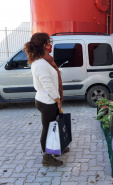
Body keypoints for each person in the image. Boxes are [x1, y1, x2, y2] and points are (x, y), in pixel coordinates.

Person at [24, 33, 67, 167]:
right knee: (47, 129)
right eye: (48, 42)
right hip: (47, 102)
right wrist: (57, 99)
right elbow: (47, 85)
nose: (50, 44)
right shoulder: (40, 64)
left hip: (47, 100)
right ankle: (46, 157)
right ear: (44, 45)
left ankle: (55, 149)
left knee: (52, 127)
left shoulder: (42, 61)